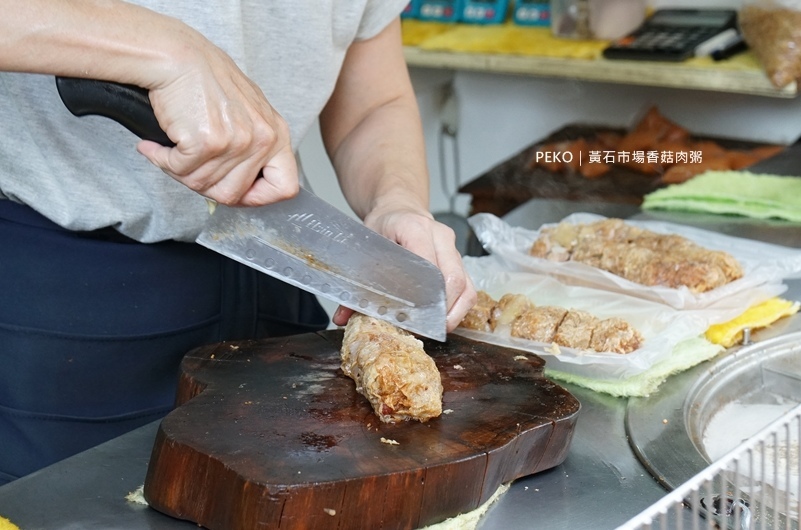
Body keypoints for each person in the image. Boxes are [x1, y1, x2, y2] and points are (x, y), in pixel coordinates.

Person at [0, 0, 477, 485]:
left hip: (274, 268)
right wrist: (167, 46)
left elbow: (373, 105)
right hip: (69, 292)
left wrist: (395, 200)